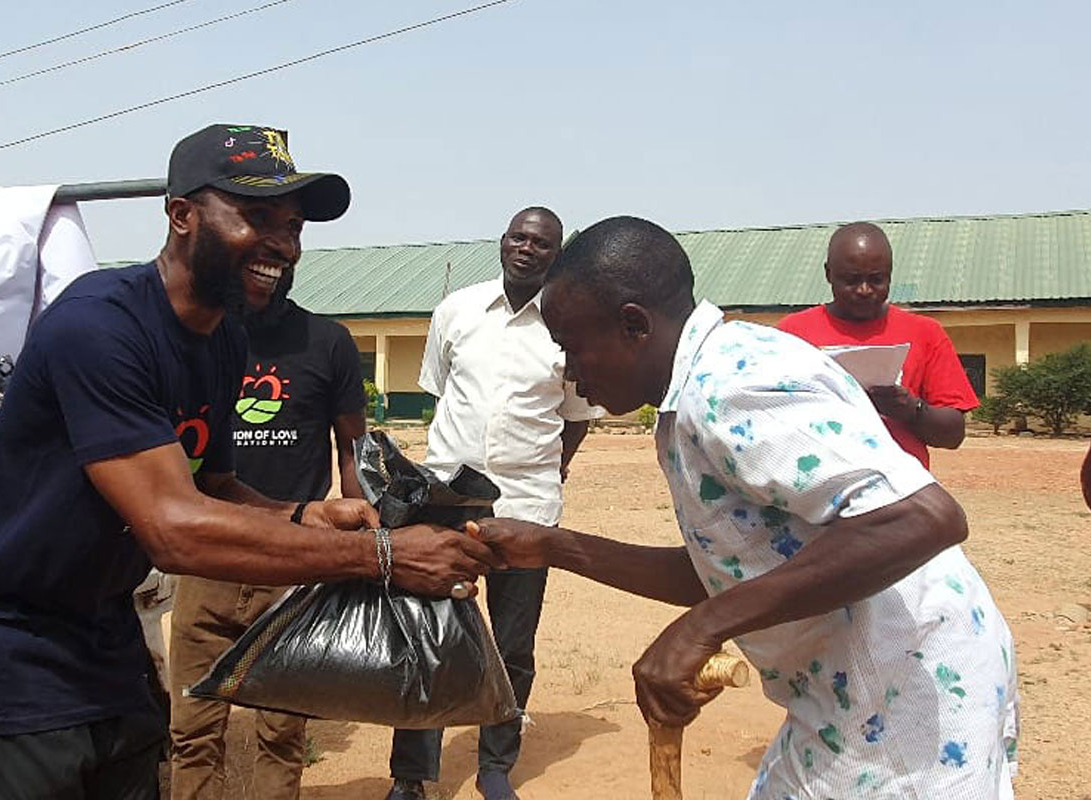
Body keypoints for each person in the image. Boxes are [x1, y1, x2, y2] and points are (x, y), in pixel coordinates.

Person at [0, 123, 501, 800]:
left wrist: (308, 514)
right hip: (2, 657)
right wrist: (386, 558)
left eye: (293, 225)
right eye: (256, 217)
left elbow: (213, 486)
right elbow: (172, 528)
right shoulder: (100, 327)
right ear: (181, 215)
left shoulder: (221, 342)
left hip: (103, 644)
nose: (282, 243)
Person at [475, 217, 1019, 799]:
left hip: (907, 689)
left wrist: (699, 631)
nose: (568, 371)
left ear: (633, 325)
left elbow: (923, 518)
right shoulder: (688, 399)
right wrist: (551, 545)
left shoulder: (729, 385)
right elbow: (730, 570)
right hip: (848, 692)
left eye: (571, 347)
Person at [386, 207, 604, 800]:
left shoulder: (568, 326)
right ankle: (412, 776)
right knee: (428, 635)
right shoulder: (455, 311)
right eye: (518, 237)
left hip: (527, 507)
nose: (527, 249)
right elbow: (440, 392)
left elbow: (575, 421)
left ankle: (495, 766)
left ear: (557, 255)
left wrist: (546, 472)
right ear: (502, 242)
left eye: (541, 243)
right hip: (446, 500)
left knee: (512, 643)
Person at [168, 260, 369, 799]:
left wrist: (369, 544)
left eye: (284, 255)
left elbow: (354, 450)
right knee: (192, 732)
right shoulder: (199, 343)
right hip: (208, 561)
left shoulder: (329, 343)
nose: (268, 267)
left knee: (282, 733)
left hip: (291, 570)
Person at [777, 222, 978, 469]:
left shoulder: (925, 333)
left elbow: (952, 435)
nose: (864, 290)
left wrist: (912, 411)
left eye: (876, 279)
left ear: (890, 274)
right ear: (828, 274)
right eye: (851, 280)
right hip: (816, 490)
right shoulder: (791, 334)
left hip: (898, 491)